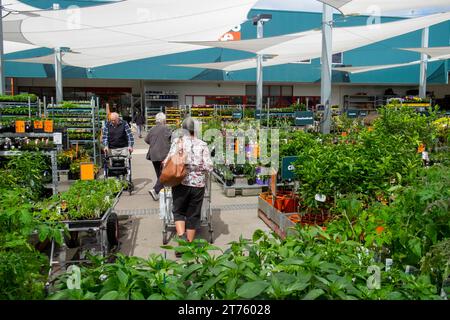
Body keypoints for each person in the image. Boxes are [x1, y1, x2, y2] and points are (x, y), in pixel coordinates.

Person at [163, 117, 213, 251]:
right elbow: (209, 166)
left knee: (178, 211)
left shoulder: (177, 142)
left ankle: (181, 238)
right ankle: (189, 245)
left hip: (181, 182)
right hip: (198, 185)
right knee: (193, 214)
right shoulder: (202, 144)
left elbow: (166, 162)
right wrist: (198, 167)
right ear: (195, 129)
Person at [145, 112, 172, 201]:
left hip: (153, 155)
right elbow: (172, 139)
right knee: (164, 175)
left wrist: (154, 143)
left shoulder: (152, 129)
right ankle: (155, 190)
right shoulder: (166, 128)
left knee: (159, 174)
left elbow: (146, 140)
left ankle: (160, 193)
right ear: (164, 120)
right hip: (163, 155)